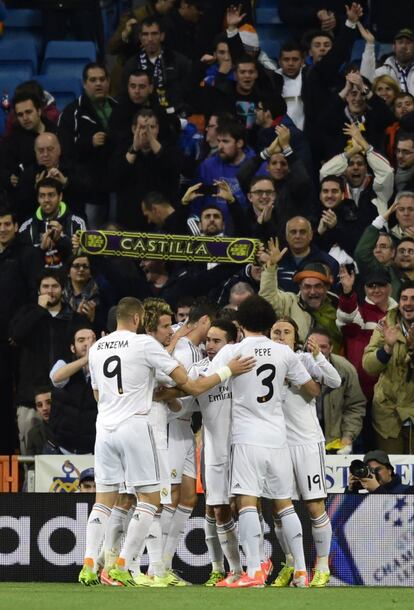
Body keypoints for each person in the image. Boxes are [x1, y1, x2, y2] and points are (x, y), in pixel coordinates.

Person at [78, 296, 254, 585]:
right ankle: (123, 565)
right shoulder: (144, 344)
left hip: (104, 430)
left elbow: (98, 395)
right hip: (136, 428)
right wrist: (228, 371)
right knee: (149, 501)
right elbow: (193, 385)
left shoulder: (97, 347)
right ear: (137, 319)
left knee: (103, 501)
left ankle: (88, 564)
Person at [208, 295, 320, 588]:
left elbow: (206, 382)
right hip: (278, 438)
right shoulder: (284, 354)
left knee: (247, 503)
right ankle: (301, 572)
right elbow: (311, 387)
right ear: (270, 323)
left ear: (240, 323)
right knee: (284, 504)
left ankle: (255, 571)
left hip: (246, 438)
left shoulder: (233, 351)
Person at [270, 318, 341, 588]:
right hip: (277, 445)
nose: (280, 336)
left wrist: (318, 357)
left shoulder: (303, 359)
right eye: (276, 332)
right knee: (279, 510)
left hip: (307, 443)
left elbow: (334, 381)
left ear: (295, 338)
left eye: (286, 332)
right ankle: (290, 563)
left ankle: (322, 566)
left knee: (314, 506)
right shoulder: (265, 363)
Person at [9, 269, 85, 455]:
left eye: (55, 286)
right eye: (45, 286)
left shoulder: (75, 319)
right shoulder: (27, 313)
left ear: (62, 289)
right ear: (38, 291)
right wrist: (38, 310)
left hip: (66, 397)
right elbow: (16, 335)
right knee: (30, 450)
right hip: (30, 397)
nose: (50, 291)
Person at [336, 267, 398, 450]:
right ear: (364, 289)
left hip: (388, 396)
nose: (376, 290)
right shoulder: (360, 313)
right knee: (357, 447)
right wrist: (347, 293)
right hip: (359, 394)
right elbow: (346, 318)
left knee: (383, 448)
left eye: (380, 285)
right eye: (371, 286)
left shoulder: (399, 315)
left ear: (390, 288)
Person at [0, 205, 42, 453]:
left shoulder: (28, 255)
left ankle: (23, 455)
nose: (2, 229)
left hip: (21, 341)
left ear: (16, 227)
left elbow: (33, 297)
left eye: (7, 224)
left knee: (22, 402)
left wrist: (19, 330)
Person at [58, 63, 117, 228]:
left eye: (102, 79)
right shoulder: (72, 113)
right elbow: (65, 151)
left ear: (108, 82)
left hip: (117, 185)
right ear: (84, 84)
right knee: (92, 237)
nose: (98, 83)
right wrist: (89, 143)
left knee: (117, 234)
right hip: (89, 189)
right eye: (93, 80)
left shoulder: (117, 107)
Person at [260, 239, 342, 352]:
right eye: (307, 287)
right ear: (300, 287)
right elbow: (268, 298)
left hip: (332, 363)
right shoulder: (289, 302)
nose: (312, 292)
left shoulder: (338, 307)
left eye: (318, 286)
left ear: (327, 287)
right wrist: (271, 267)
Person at [362, 282, 414, 454]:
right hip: (388, 413)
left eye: (413, 299)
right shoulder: (386, 324)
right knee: (390, 470)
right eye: (404, 298)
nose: (408, 303)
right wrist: (387, 349)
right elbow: (368, 366)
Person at [111, 108, 180, 231]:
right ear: (133, 129)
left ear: (157, 129)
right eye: (142, 127)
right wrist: (135, 149)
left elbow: (172, 172)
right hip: (129, 221)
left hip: (159, 224)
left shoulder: (169, 150)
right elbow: (116, 178)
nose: (146, 132)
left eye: (151, 128)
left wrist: (152, 140)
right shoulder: (122, 150)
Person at [308, 328, 366, 451]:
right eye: (314, 345)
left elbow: (355, 406)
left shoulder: (346, 369)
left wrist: (348, 436)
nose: (318, 350)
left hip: (335, 437)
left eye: (323, 346)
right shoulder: (294, 366)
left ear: (331, 348)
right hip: (303, 437)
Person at [121, 16, 192, 114]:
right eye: (145, 34)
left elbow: (189, 93)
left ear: (162, 36)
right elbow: (124, 96)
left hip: (175, 115)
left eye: (154, 34)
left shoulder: (179, 61)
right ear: (140, 38)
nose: (150, 39)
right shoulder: (132, 64)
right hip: (142, 118)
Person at [19, 178, 86, 269]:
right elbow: (23, 261)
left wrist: (61, 240)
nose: (46, 200)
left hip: (67, 277)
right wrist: (41, 249)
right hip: (38, 278)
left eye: (51, 195)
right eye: (42, 196)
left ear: (60, 196)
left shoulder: (76, 223)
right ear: (38, 199)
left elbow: (83, 259)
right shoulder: (27, 226)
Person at [354, 200, 414, 299]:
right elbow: (361, 253)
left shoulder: (401, 268)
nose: (378, 250)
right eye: (374, 247)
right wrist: (381, 220)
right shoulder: (379, 271)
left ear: (393, 252)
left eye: (383, 246)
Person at [346, 450, 412, 493]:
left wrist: (377, 490)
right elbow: (344, 513)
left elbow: (393, 511)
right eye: (371, 470)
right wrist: (351, 491)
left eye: (377, 469)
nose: (374, 473)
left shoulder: (408, 491)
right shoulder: (365, 497)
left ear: (389, 470)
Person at [375, 29, 414, 95]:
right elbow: (367, 88)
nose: (403, 46)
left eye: (408, 43)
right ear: (394, 47)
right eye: (400, 42)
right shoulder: (381, 73)